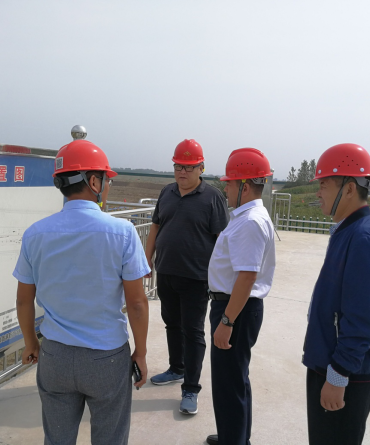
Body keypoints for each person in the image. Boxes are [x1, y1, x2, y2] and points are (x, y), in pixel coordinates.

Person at [13, 139, 150, 445]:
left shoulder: (35, 233)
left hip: (55, 356)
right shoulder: (123, 232)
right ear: (93, 182)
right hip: (107, 358)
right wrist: (140, 352)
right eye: (106, 180)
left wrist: (31, 343)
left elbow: (23, 300)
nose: (108, 186)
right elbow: (137, 303)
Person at [303, 143, 370, 445]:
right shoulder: (350, 230)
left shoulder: (364, 237)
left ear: (350, 188)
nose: (318, 193)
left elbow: (361, 318)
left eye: (324, 185)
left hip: (345, 374)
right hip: (332, 364)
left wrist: (339, 375)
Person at [145, 139, 229, 415]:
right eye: (178, 166)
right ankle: (176, 368)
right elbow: (156, 227)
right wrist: (146, 259)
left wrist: (220, 276)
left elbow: (221, 239)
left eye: (189, 167)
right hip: (166, 272)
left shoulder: (213, 197)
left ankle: (191, 388)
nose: (182, 172)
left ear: (201, 168)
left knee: (193, 332)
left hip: (196, 277)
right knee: (171, 323)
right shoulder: (167, 192)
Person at [205, 148, 276, 445]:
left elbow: (247, 277)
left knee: (228, 385)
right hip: (236, 306)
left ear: (245, 187)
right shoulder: (248, 216)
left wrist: (227, 321)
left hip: (235, 308)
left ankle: (233, 440)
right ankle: (235, 437)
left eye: (230, 184)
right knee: (236, 380)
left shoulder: (250, 222)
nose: (226, 189)